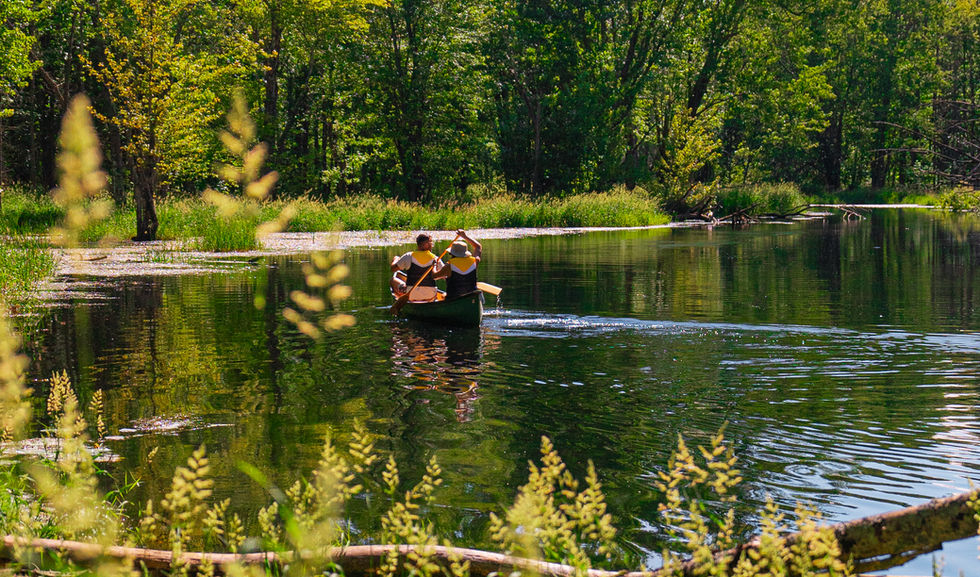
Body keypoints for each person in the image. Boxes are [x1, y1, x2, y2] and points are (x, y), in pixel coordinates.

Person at [391, 233, 444, 302]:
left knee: (393, 280)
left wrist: (395, 259)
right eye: (431, 243)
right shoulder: (436, 259)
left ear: (418, 244)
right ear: (428, 245)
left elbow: (393, 269)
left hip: (411, 295)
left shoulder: (409, 256)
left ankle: (400, 298)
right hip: (430, 295)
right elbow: (445, 276)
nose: (432, 246)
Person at [433, 229, 481, 299]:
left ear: (451, 253)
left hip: (453, 297)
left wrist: (433, 266)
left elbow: (434, 276)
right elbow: (478, 247)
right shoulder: (475, 261)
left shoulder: (449, 265)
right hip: (471, 296)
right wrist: (465, 236)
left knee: (443, 296)